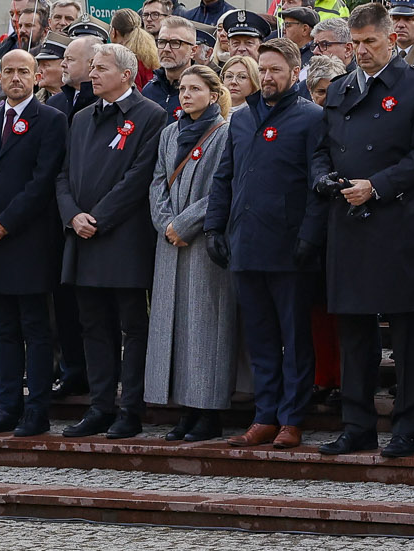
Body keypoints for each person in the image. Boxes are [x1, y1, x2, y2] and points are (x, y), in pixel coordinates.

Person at [311, 3, 414, 457]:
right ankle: (356, 425)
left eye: (371, 42)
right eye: (357, 43)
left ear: (392, 39)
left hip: (397, 222)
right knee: (354, 333)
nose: (363, 51)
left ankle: (407, 427)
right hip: (347, 223)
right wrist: (324, 178)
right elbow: (321, 149)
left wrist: (377, 186)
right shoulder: (341, 88)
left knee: (406, 334)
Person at [205, 39, 327, 448]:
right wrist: (213, 228)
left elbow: (317, 185)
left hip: (290, 246)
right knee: (259, 336)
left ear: (295, 73)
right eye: (265, 69)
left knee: (293, 337)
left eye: (277, 69)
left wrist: (310, 235)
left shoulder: (312, 118)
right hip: (245, 242)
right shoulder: (241, 119)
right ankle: (265, 415)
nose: (269, 76)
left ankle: (292, 418)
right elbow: (224, 178)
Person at [57, 43, 169, 440]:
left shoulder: (151, 116)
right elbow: (64, 174)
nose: (93, 74)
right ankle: (100, 406)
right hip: (82, 237)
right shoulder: (83, 117)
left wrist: (98, 219)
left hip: (124, 240)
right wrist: (72, 215)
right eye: (92, 68)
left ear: (126, 73)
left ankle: (130, 408)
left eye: (101, 68)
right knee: (93, 326)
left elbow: (138, 179)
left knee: (132, 326)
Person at [0, 50, 68, 437]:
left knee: (35, 328)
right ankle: (7, 407)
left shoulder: (52, 120)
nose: (16, 78)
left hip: (28, 241)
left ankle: (36, 410)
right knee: (2, 328)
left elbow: (42, 182)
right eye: (9, 71)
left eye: (24, 71)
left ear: (37, 77)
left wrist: (5, 221)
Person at [143, 64, 237, 443]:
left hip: (201, 243)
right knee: (174, 327)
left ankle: (208, 411)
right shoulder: (170, 133)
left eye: (195, 89)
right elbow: (156, 182)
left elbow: (222, 188)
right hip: (169, 244)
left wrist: (183, 225)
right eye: (182, 89)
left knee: (205, 327)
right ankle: (184, 409)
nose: (185, 95)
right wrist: (165, 222)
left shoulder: (226, 133)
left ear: (214, 95)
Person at [144, 17, 198, 116]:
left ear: (193, 51)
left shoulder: (201, 92)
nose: (166, 49)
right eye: (162, 42)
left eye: (175, 43)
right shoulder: (149, 90)